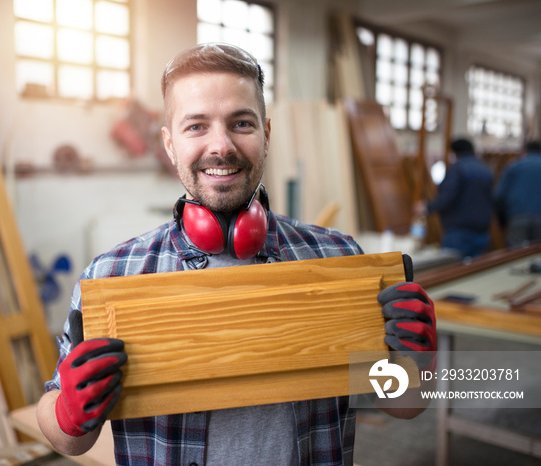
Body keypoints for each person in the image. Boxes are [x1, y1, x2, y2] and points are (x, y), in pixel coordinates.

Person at [37, 43, 436, 465]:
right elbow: (67, 438)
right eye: (197, 126)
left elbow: (403, 404)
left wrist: (418, 364)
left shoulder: (338, 262)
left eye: (240, 123)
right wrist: (67, 414)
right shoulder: (113, 277)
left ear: (266, 134)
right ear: (169, 145)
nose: (221, 145)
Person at [415, 137, 494, 259]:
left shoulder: (457, 170)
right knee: (475, 269)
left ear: (454, 153)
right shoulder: (485, 169)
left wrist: (427, 207)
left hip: (459, 231)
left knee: (452, 270)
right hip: (482, 230)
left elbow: (447, 197)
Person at [494, 140, 541, 247]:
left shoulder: (514, 167)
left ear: (524, 151)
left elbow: (500, 195)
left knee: (517, 254)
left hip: (518, 216)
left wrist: (501, 217)